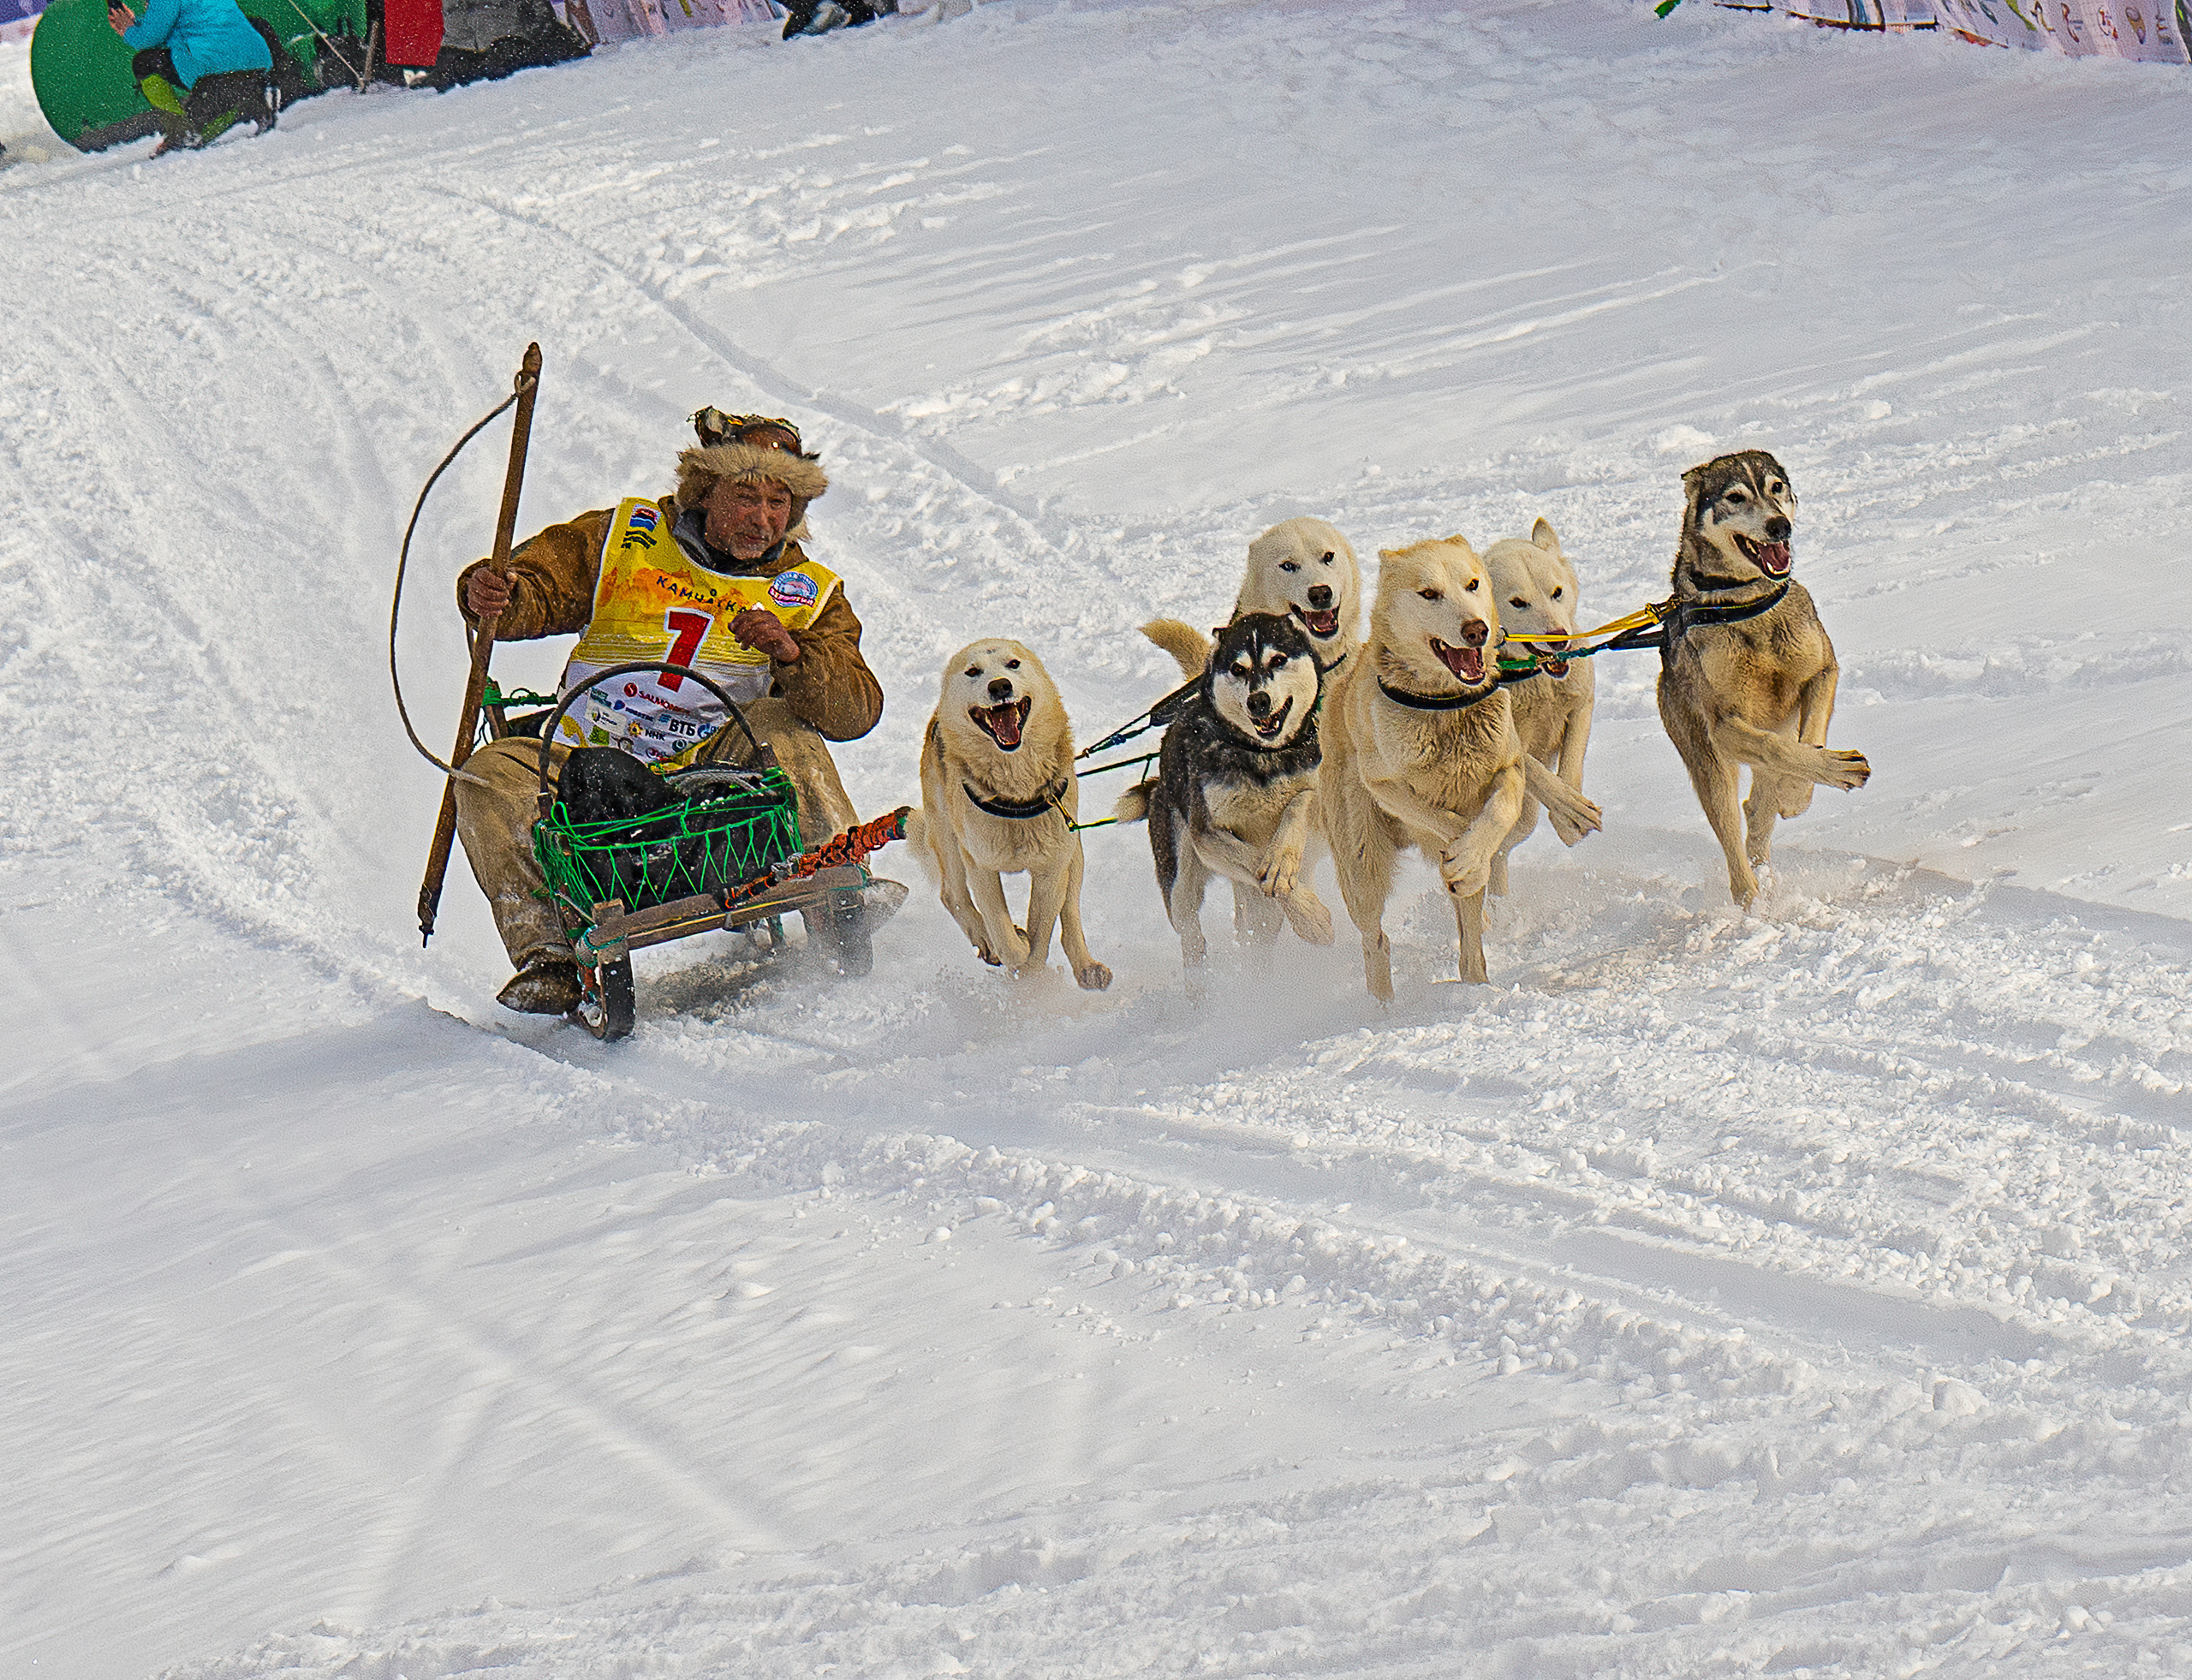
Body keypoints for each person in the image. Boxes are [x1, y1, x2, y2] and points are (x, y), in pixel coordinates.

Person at [452, 412, 885, 1014]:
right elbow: (535, 587)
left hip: (716, 760)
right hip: (587, 755)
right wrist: (497, 594)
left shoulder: (808, 591)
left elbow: (856, 710)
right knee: (485, 774)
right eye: (746, 498)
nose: (763, 519)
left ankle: (837, 892)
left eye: (779, 502)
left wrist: (791, 652)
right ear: (704, 492)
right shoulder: (627, 536)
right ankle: (549, 954)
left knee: (786, 732)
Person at [108, 0, 276, 153]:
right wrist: (136, 24)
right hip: (253, 63)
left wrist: (128, 31)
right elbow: (189, 25)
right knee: (231, 92)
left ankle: (183, 131)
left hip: (214, 69)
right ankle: (257, 102)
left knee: (143, 64)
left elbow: (151, 37)